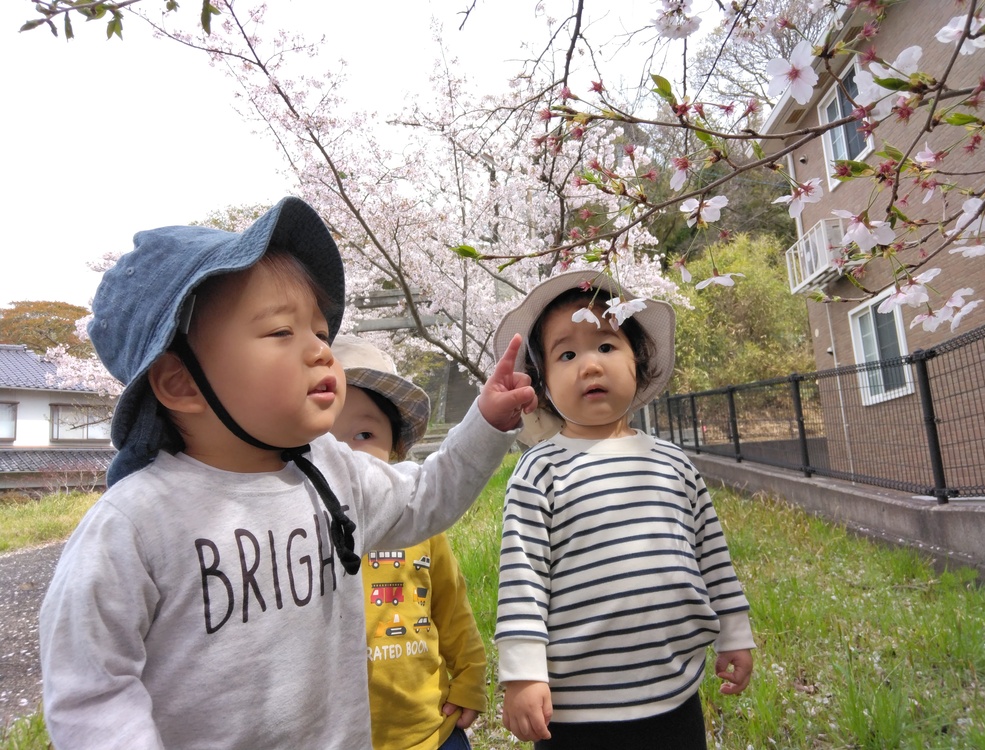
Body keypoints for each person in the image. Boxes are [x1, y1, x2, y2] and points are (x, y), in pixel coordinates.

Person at [38, 196, 537, 750]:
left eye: (320, 333)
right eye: (281, 332)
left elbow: (426, 498)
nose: (321, 353)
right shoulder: (135, 524)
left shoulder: (333, 473)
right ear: (180, 384)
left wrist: (487, 422)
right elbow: (92, 691)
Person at [490, 269, 755, 749]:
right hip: (575, 711)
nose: (589, 365)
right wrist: (523, 672)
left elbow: (712, 556)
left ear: (640, 362)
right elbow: (522, 577)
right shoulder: (539, 471)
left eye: (607, 346)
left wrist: (734, 630)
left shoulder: (675, 464)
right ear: (545, 384)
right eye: (566, 354)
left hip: (675, 695)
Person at [330, 334, 486, 750]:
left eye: (364, 435)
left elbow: (451, 606)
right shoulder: (301, 530)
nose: (348, 457)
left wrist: (470, 675)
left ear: (396, 448)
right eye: (326, 442)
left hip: (431, 730)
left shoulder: (418, 526)